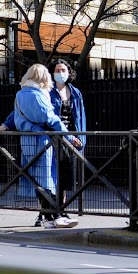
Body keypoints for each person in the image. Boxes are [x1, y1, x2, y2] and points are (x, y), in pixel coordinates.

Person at [0, 64, 76, 229]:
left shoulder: (21, 93)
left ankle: (49, 218)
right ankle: (56, 216)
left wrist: (4, 126)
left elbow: (16, 114)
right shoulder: (38, 95)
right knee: (46, 180)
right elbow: (50, 118)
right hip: (41, 140)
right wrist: (70, 137)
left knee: (37, 179)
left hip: (26, 140)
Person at [48, 60, 87, 225]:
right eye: (57, 70)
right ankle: (47, 212)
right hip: (54, 138)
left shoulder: (75, 92)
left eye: (63, 69)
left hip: (73, 139)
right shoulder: (48, 91)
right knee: (50, 176)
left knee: (65, 178)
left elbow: (81, 116)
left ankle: (61, 210)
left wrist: (82, 138)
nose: (61, 73)